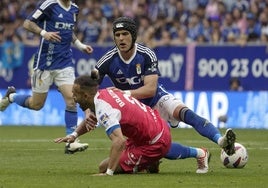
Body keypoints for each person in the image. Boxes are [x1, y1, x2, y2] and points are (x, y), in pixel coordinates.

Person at [94, 17, 236, 159]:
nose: (121, 38)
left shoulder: (146, 55)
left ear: (133, 35)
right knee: (160, 148)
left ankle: (221, 140)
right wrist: (89, 112)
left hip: (156, 99)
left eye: (125, 34)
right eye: (117, 35)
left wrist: (123, 93)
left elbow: (150, 89)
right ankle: (200, 153)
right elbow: (89, 87)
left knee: (185, 113)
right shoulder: (107, 60)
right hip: (136, 111)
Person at [54, 73, 211, 175]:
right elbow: (92, 119)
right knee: (153, 159)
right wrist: (74, 135)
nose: (73, 98)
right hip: (155, 126)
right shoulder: (106, 92)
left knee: (103, 166)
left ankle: (151, 159)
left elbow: (119, 141)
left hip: (154, 139)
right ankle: (196, 153)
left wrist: (108, 173)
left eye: (75, 94)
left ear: (87, 95)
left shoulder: (104, 108)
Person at [0, 0, 93, 154]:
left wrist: (80, 45)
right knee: (37, 105)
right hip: (45, 63)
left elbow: (68, 31)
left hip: (64, 62)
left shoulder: (74, 9)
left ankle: (71, 141)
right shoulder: (49, 5)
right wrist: (44, 33)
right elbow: (27, 23)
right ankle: (11, 97)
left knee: (72, 99)